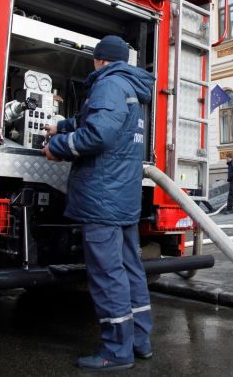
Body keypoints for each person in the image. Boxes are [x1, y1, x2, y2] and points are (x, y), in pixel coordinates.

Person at [43, 35, 155, 371]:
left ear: (99, 60)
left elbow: (98, 135)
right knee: (130, 270)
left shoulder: (108, 85)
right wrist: (61, 125)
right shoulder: (130, 87)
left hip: (102, 197)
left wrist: (58, 146)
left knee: (108, 275)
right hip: (122, 196)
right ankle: (139, 342)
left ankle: (115, 352)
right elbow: (100, 123)